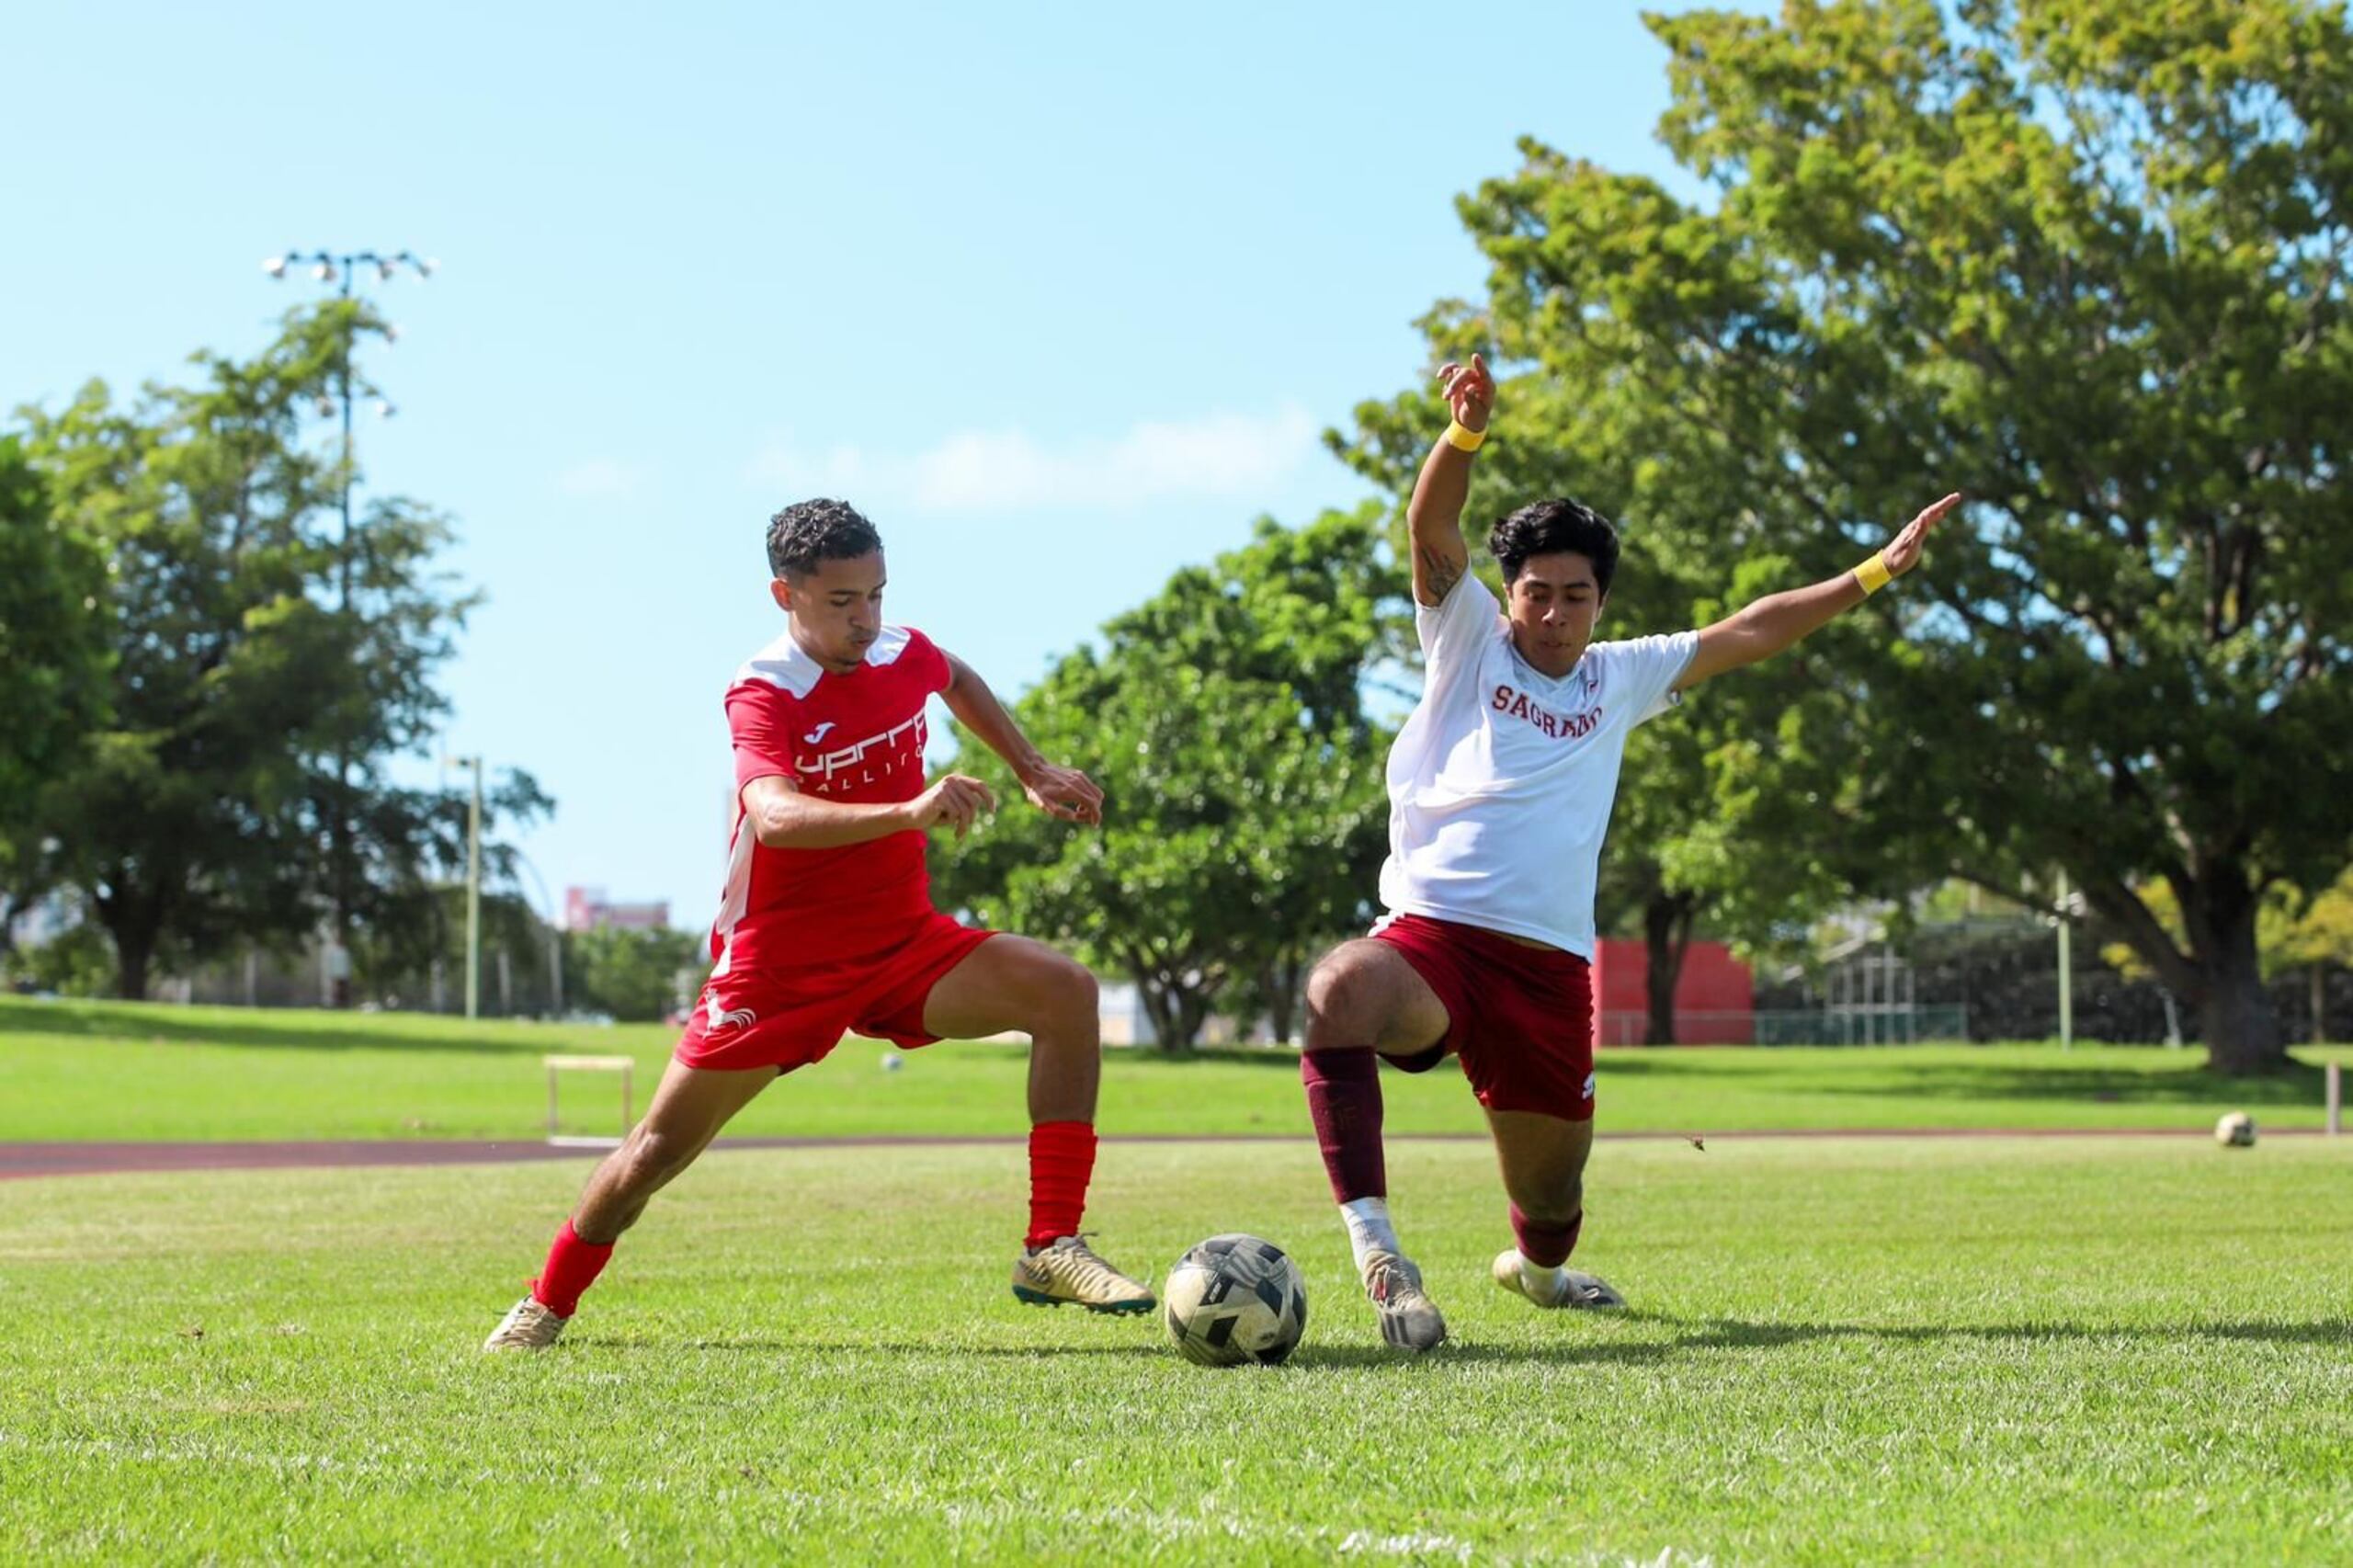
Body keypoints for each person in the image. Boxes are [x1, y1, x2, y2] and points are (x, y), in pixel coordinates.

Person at [1302, 355, 1957, 1351]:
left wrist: (1873, 572)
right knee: (1336, 989)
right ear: (1507, 593)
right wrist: (1464, 432)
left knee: (1552, 1196)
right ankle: (1381, 1252)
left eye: (1574, 594)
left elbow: (1752, 628)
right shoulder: (1466, 631)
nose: (1552, 612)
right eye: (1535, 593)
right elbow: (1430, 527)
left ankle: (1539, 1272)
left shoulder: (1621, 675)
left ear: (1601, 601)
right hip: (1431, 939)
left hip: (1551, 967)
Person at [485, 498, 1154, 1350]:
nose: (866, 620)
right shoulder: (763, 691)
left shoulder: (898, 650)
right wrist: (909, 809)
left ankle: (1050, 1245)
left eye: (875, 594)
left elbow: (950, 673)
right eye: (842, 602)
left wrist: (1029, 767)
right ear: (785, 596)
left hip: (904, 943)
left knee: (1065, 992)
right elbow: (772, 816)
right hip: (780, 968)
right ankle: (546, 1302)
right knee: (654, 1153)